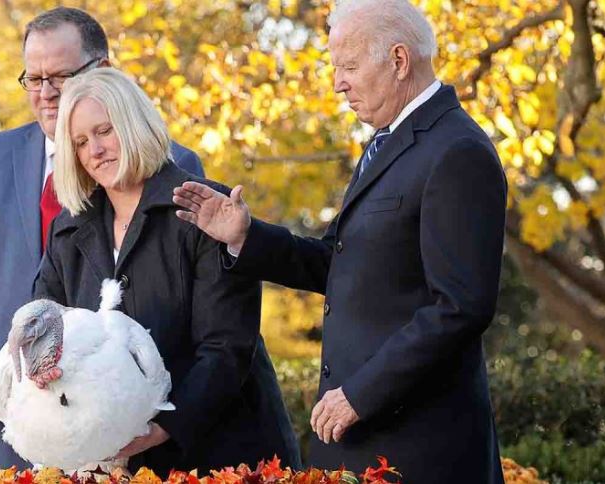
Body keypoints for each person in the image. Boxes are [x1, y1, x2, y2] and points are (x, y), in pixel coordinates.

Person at [173, 0, 507, 482]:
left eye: (348, 66)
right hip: (358, 446)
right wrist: (245, 236)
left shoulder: (457, 151)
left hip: (419, 452)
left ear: (398, 60)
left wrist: (359, 394)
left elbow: (461, 307)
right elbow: (337, 263)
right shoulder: (386, 142)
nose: (337, 83)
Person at [0, 7, 204, 469]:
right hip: (8, 435)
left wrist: (136, 416)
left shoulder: (173, 167)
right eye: (33, 78)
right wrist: (0, 402)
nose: (45, 93)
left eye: (60, 76)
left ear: (102, 70)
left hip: (130, 442)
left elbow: (198, 323)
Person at [32, 67, 300, 475]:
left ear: (133, 124)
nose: (95, 150)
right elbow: (42, 325)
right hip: (110, 460)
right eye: (81, 142)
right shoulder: (68, 232)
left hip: (220, 457)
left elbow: (226, 348)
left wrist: (160, 427)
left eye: (104, 131)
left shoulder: (206, 209)